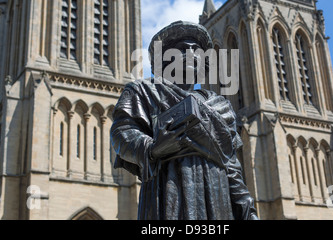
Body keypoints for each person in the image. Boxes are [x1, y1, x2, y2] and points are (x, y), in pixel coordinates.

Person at [110, 21, 258, 220]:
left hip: (217, 199)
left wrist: (247, 208)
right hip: (169, 191)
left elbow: (231, 166)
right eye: (182, 49)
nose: (190, 54)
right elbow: (122, 132)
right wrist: (153, 148)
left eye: (196, 50)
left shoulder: (220, 105)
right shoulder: (143, 91)